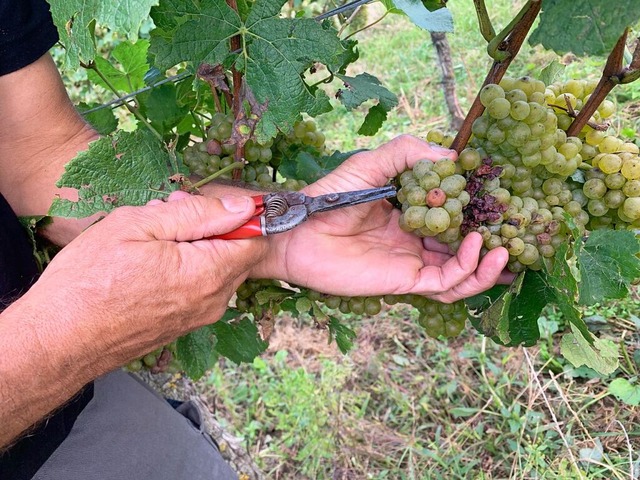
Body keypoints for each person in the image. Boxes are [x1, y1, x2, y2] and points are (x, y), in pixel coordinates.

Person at [0, 1, 511, 478]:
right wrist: (65, 339)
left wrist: (288, 236)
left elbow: (36, 157)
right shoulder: (69, 341)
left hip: (72, 413)